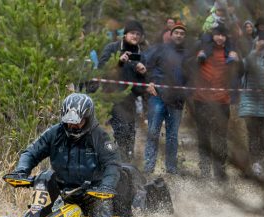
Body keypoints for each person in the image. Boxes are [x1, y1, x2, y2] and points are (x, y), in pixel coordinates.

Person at [8, 93, 121, 217]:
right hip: (62, 194)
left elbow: (113, 163)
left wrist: (106, 186)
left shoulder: (100, 136)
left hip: (92, 194)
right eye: (69, 121)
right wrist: (21, 170)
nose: (72, 125)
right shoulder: (55, 133)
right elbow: (31, 152)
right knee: (44, 177)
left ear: (87, 119)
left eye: (78, 121)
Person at [190, 23, 240, 180]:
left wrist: (238, 60)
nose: (220, 37)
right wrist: (197, 58)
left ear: (226, 38)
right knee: (203, 137)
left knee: (220, 139)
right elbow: (187, 65)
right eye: (217, 34)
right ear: (212, 36)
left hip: (222, 101)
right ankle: (204, 172)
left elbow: (242, 71)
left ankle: (220, 173)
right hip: (202, 100)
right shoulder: (203, 49)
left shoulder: (230, 52)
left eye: (223, 35)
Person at [99, 20, 149, 162]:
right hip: (112, 97)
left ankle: (127, 164)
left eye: (138, 34)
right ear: (125, 34)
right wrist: (118, 62)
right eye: (132, 33)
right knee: (120, 131)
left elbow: (141, 86)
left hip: (130, 100)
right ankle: (118, 163)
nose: (135, 36)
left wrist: (143, 73)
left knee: (130, 133)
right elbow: (101, 69)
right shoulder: (112, 48)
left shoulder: (141, 55)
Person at [143, 21, 189, 175]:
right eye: (177, 32)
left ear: (184, 36)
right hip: (157, 96)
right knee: (153, 132)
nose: (179, 35)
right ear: (171, 34)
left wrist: (186, 92)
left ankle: (171, 168)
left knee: (172, 136)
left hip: (177, 100)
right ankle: (148, 167)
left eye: (182, 33)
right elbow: (145, 65)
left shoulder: (187, 54)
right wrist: (148, 83)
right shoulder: (160, 49)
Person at [238, 31, 264, 176]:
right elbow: (242, 69)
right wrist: (255, 52)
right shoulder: (250, 57)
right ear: (256, 42)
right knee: (253, 135)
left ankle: (258, 162)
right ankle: (255, 164)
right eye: (261, 41)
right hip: (251, 104)